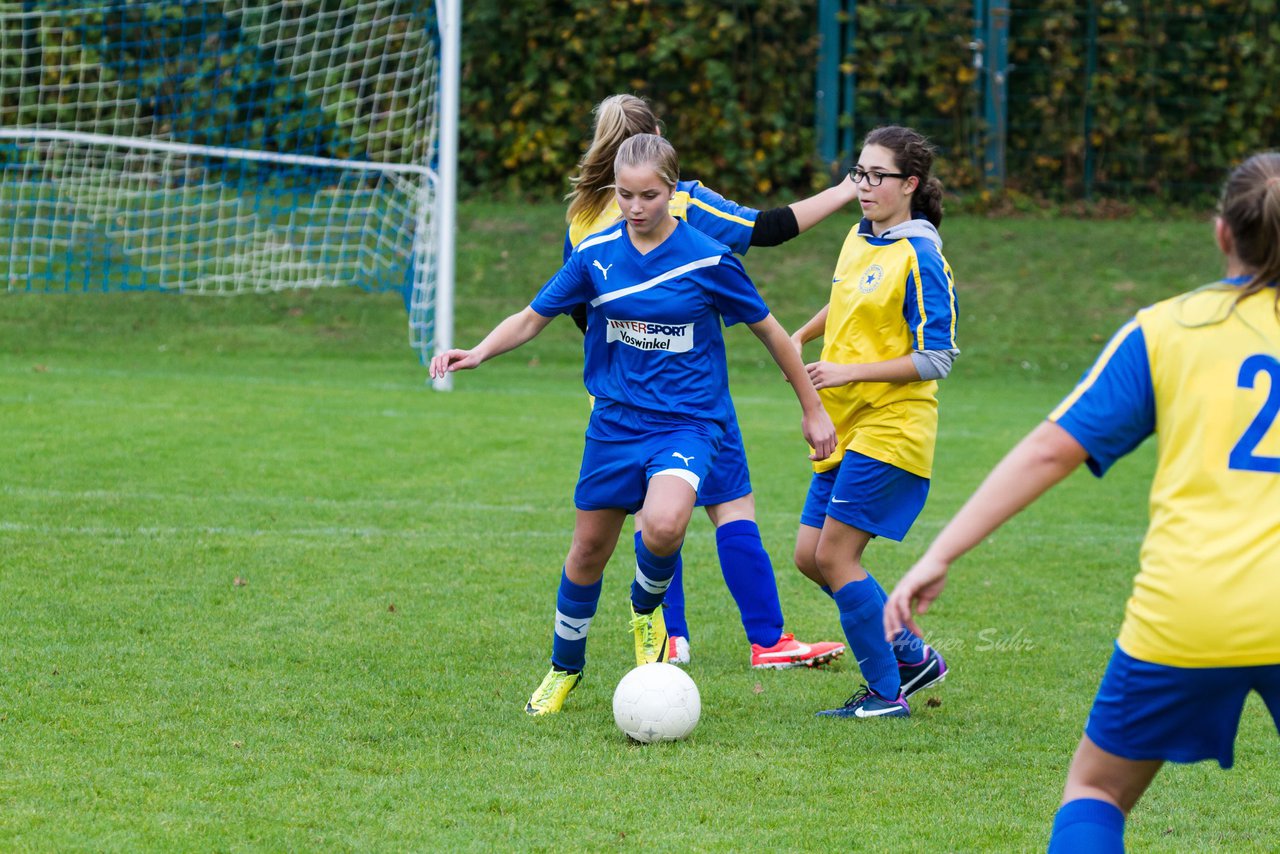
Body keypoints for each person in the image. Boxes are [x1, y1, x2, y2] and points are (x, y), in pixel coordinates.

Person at [883, 151, 1280, 850]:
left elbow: (1046, 451)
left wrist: (937, 555)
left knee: (1096, 790)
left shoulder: (1168, 330)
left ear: (1223, 233)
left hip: (1190, 610)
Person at [431, 134, 837, 716]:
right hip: (615, 425)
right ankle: (563, 669)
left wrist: (812, 408)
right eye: (625, 195)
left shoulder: (709, 258)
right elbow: (530, 318)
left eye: (649, 195)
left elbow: (772, 333)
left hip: (688, 424)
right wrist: (477, 351)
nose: (636, 206)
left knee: (666, 524)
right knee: (587, 552)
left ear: (674, 191)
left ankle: (646, 606)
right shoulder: (595, 256)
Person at [564, 93, 856, 668]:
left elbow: (579, 309)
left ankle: (672, 638)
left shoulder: (581, 213)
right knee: (730, 506)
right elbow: (768, 227)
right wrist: (849, 189)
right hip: (692, 396)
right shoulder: (683, 203)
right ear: (656, 143)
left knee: (658, 513)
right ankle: (767, 640)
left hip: (622, 399)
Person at [789, 125, 959, 719]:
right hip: (847, 422)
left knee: (837, 557)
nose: (864, 186)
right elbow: (850, 298)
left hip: (894, 424)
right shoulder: (860, 238)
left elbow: (937, 355)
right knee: (809, 556)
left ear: (909, 184)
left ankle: (887, 694)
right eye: (860, 173)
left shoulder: (922, 255)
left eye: (877, 176)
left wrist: (849, 373)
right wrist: (804, 333)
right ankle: (910, 655)